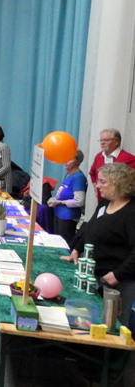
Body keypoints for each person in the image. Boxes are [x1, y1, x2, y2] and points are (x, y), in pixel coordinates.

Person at [61, 163, 135, 327]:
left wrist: (117, 275)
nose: (97, 185)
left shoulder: (131, 212)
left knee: (114, 325)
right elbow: (91, 228)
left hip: (119, 282)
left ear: (118, 184)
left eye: (103, 182)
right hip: (98, 275)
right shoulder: (105, 203)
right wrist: (77, 249)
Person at [47, 150, 87, 244]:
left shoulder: (78, 177)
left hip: (68, 217)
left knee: (65, 244)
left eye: (69, 159)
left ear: (77, 161)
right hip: (59, 213)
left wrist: (61, 202)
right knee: (57, 243)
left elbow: (80, 201)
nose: (66, 161)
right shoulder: (68, 174)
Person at [89, 128, 135, 202]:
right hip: (102, 200)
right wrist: (96, 189)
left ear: (116, 142)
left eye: (106, 140)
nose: (102, 143)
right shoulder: (98, 156)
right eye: (101, 140)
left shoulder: (129, 158)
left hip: (120, 201)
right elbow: (92, 173)